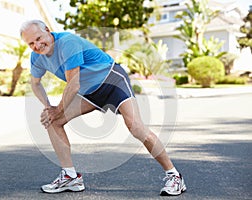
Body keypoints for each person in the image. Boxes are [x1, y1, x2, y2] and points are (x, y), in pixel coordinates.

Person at [20, 19, 186, 196]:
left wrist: (57, 109)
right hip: (89, 92)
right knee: (53, 121)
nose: (37, 45)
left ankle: (174, 176)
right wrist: (48, 107)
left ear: (47, 30)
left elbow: (73, 84)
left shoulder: (67, 43)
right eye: (31, 43)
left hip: (112, 81)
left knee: (136, 127)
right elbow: (35, 84)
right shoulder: (36, 57)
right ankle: (70, 177)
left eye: (38, 38)